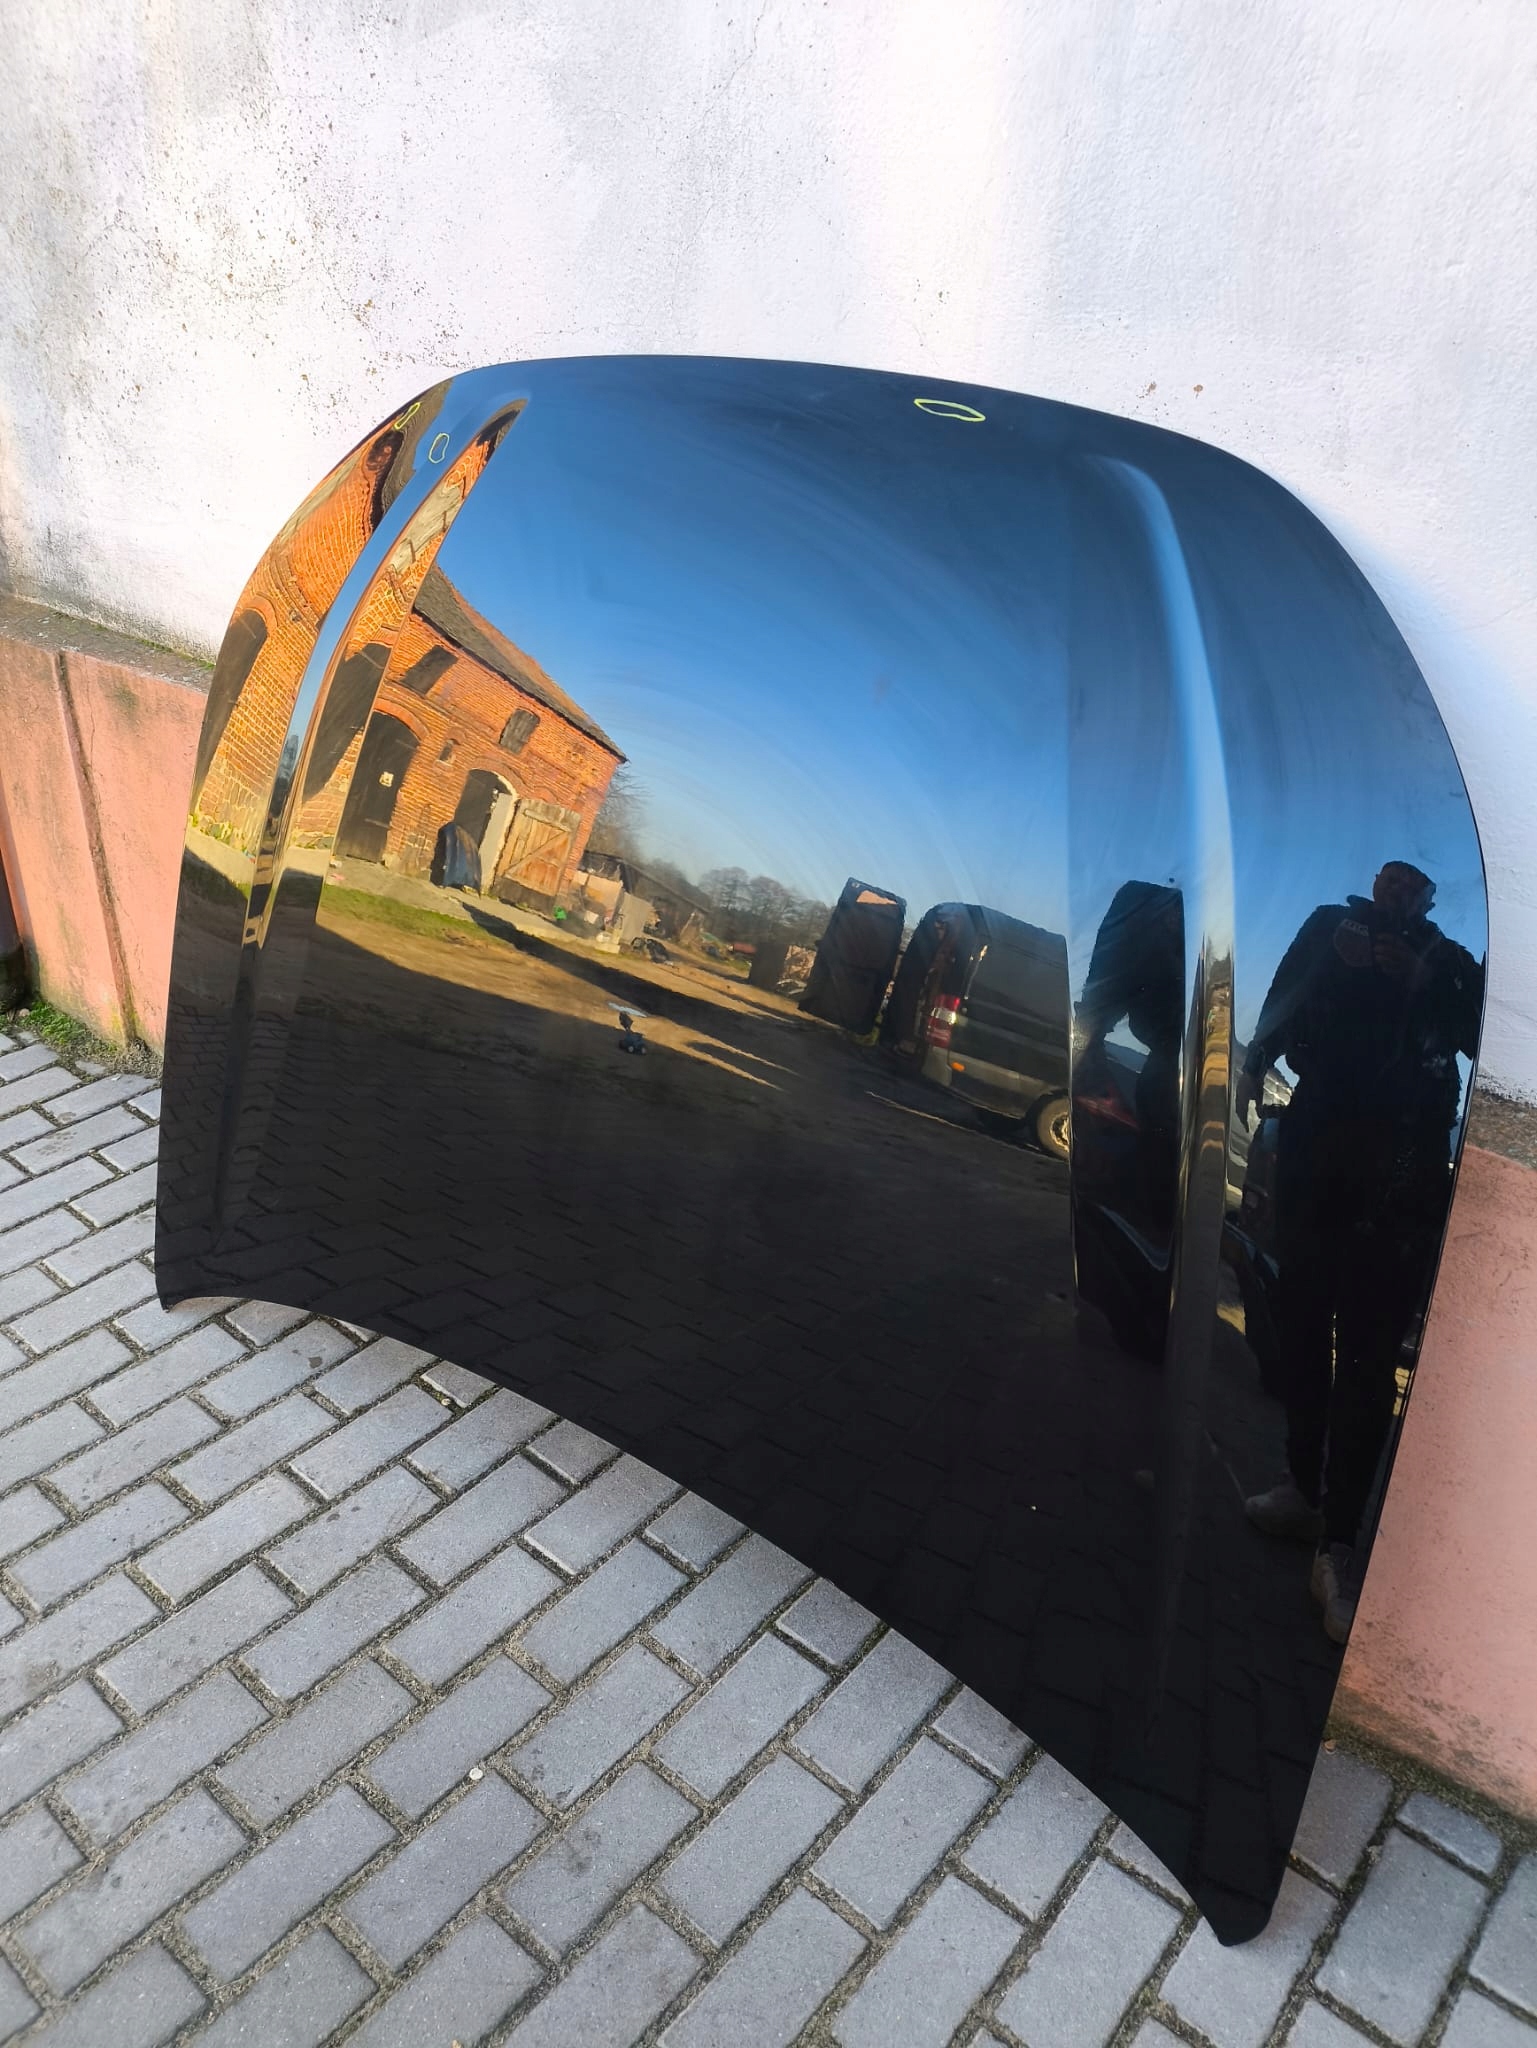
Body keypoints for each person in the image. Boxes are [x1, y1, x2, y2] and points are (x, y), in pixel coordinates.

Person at [1237, 862, 1482, 1642]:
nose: (1397, 892)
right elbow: (1283, 996)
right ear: (1375, 883)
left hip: (1402, 1169)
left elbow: (1479, 1038)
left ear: (1429, 900)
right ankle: (1302, 1487)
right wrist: (1252, 1060)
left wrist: (1421, 981)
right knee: (1301, 1322)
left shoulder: (1450, 961)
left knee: (1370, 1354)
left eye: (1414, 885)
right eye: (1389, 878)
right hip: (1316, 1145)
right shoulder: (1325, 925)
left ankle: (1339, 1542)